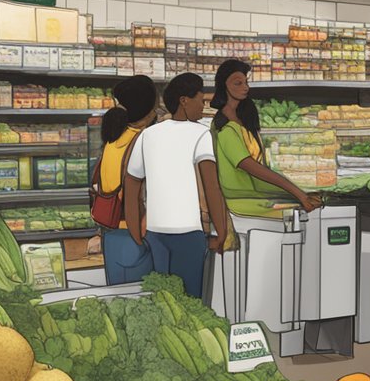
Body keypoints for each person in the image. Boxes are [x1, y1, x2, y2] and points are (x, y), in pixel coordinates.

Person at [123, 73, 228, 298]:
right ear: (184, 101)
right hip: (188, 236)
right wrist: (221, 232)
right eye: (200, 99)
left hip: (154, 235)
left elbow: (131, 184)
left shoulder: (147, 135)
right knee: (190, 304)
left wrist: (135, 232)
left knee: (162, 302)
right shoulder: (201, 134)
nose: (203, 105)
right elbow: (212, 187)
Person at [211, 59, 320, 229]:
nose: (245, 87)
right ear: (223, 86)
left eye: (246, 82)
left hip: (255, 192)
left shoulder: (243, 118)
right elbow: (252, 167)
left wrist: (298, 192)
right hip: (240, 201)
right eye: (238, 83)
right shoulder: (225, 128)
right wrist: (298, 193)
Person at [93, 75, 157, 284]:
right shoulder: (144, 141)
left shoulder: (113, 140)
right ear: (148, 109)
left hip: (111, 236)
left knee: (119, 299)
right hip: (138, 234)